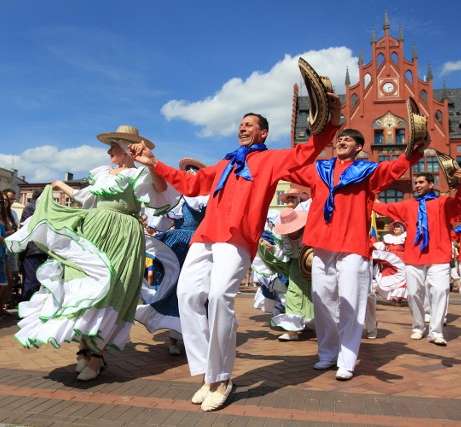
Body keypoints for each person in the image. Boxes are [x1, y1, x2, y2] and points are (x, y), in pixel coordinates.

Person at [130, 93, 342, 411]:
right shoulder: (226, 163)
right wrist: (153, 163)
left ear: (263, 133)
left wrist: (333, 117)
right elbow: (191, 185)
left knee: (218, 299)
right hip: (204, 237)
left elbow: (308, 150)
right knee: (187, 296)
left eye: (250, 124)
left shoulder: (270, 160)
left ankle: (222, 378)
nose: (243, 127)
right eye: (241, 124)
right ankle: (207, 374)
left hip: (236, 240)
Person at [5, 125, 179, 382]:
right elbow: (82, 197)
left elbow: (160, 190)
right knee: (85, 283)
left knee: (114, 288)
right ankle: (85, 348)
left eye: (113, 146)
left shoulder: (139, 174)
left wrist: (151, 163)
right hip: (95, 229)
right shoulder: (102, 174)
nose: (109, 151)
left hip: (123, 232)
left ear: (125, 148)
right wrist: (59, 186)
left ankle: (97, 357)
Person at [284, 129, 425, 381]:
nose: (341, 141)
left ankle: (347, 360)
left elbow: (393, 169)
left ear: (359, 147)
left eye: (347, 139)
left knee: (351, 300)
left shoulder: (367, 172)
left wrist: (413, 153)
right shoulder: (320, 169)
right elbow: (290, 167)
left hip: (353, 243)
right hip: (322, 242)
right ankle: (327, 353)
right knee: (322, 301)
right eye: (339, 139)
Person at [373, 172, 461, 346]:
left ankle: (436, 331)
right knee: (412, 293)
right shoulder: (408, 205)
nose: (417, 185)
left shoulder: (442, 202)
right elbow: (386, 208)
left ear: (431, 185)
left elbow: (460, 205)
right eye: (415, 183)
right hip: (414, 255)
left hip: (438, 255)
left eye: (421, 182)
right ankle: (418, 326)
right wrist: (364, 199)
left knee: (440, 291)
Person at [135, 158, 209, 356]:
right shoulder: (180, 197)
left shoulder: (209, 197)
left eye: (196, 172)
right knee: (174, 287)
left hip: (202, 244)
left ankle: (192, 335)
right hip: (180, 244)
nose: (192, 174)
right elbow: (159, 222)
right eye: (189, 172)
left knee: (199, 290)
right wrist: (151, 229)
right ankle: (175, 336)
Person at [264, 208, 314, 342]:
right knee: (293, 296)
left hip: (312, 266)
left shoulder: (310, 230)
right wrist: (272, 248)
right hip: (295, 268)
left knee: (315, 296)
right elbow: (283, 253)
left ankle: (313, 325)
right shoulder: (281, 237)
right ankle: (293, 332)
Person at [19, 189, 48, 301]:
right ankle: (27, 305)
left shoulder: (37, 208)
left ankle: (29, 305)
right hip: (33, 249)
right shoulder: (32, 208)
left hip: (38, 249)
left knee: (35, 280)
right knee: (31, 281)